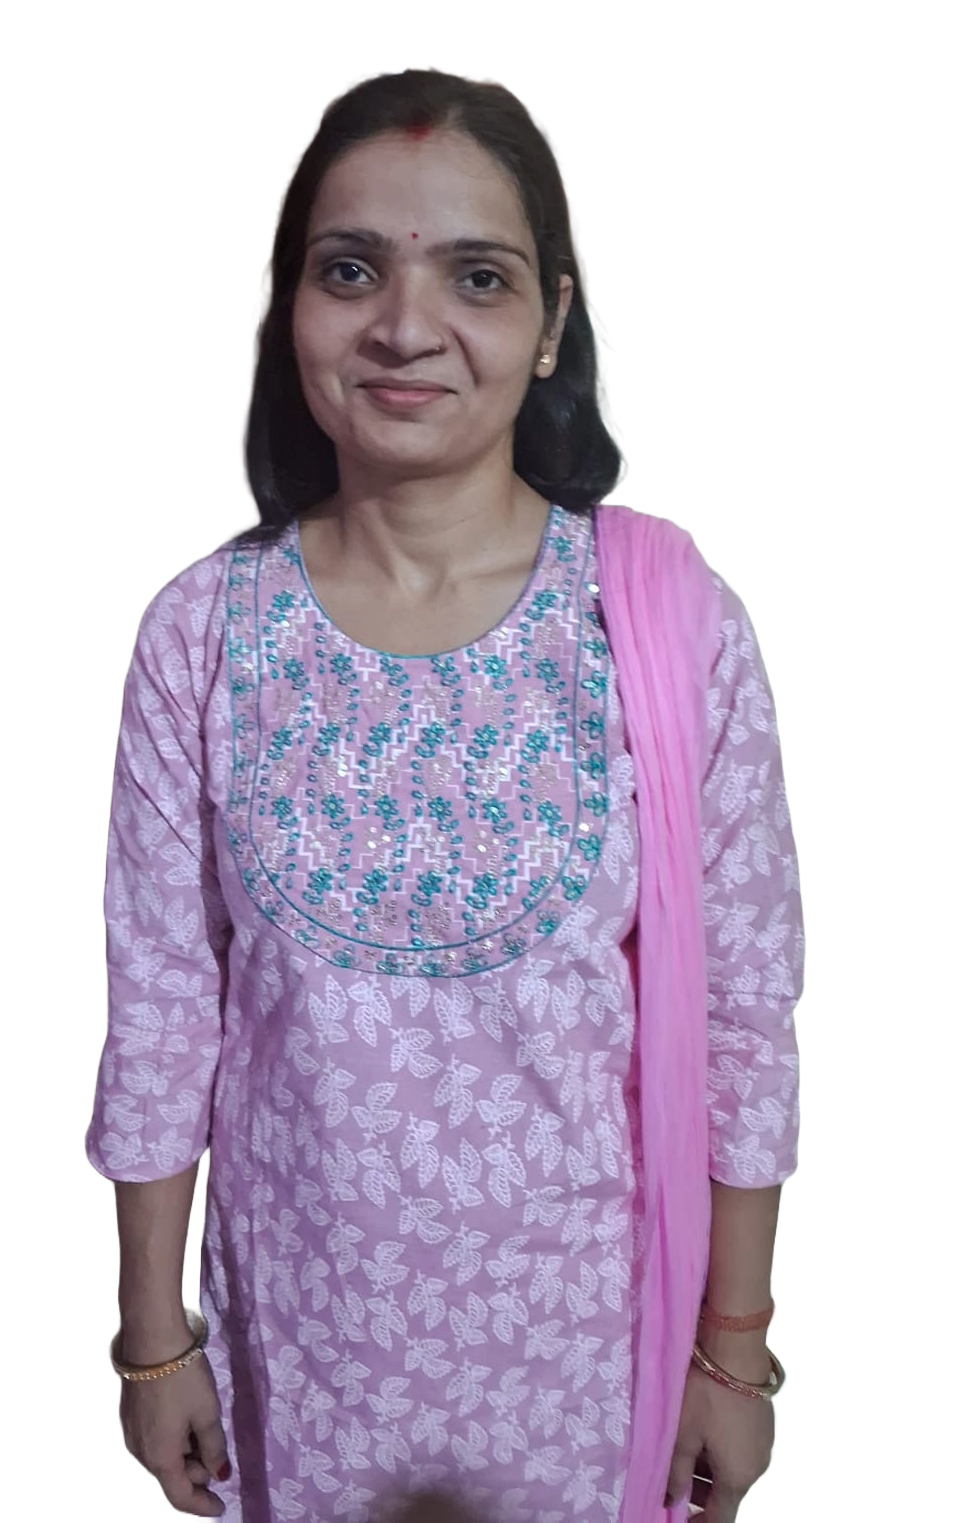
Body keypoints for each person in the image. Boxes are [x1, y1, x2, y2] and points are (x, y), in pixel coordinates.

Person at [85, 66, 803, 1523]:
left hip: (596, 1372)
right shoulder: (202, 634)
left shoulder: (664, 622)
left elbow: (743, 1018)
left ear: (551, 322)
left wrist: (734, 1350)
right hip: (290, 1370)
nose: (405, 328)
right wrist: (153, 1339)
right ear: (283, 310)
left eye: (476, 276)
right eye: (351, 270)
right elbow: (159, 1014)